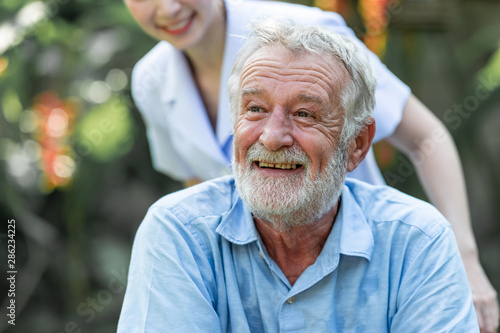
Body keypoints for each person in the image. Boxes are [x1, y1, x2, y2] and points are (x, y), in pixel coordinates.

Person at [123, 0, 498, 330]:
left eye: (304, 114)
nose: (167, 7)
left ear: (357, 144)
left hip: (358, 271)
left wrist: (465, 261)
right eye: (254, 109)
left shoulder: (309, 38)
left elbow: (424, 139)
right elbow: (195, 183)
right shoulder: (150, 80)